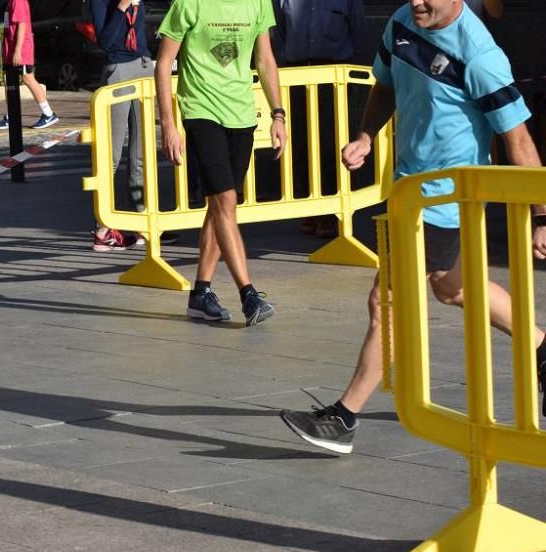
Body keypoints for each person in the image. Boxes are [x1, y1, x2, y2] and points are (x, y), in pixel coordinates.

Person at [280, 0, 546, 454]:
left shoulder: (480, 55)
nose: (417, 1)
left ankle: (344, 417)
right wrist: (365, 135)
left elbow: (517, 139)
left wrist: (542, 216)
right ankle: (543, 347)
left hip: (444, 205)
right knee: (452, 288)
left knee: (387, 301)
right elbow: (384, 86)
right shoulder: (403, 23)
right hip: (409, 191)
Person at [156, 0, 285, 326]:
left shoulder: (257, 3)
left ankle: (201, 293)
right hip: (201, 111)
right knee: (224, 200)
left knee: (221, 206)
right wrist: (169, 125)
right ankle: (248, 294)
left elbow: (265, 59)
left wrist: (278, 114)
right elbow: (163, 63)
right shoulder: (188, 3)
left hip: (241, 115)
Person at [271, 0, 369, 239]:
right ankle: (307, 206)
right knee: (300, 143)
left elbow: (360, 34)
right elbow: (278, 33)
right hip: (296, 74)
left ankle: (330, 212)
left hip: (333, 75)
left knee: (331, 143)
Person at [89, 0, 147, 251]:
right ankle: (103, 228)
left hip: (143, 66)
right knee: (112, 153)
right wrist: (122, 7)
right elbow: (104, 41)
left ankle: (142, 220)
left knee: (141, 152)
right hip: (119, 68)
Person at [0, 0, 59, 131]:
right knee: (9, 79)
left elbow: (22, 25)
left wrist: (17, 50)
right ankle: (12, 116)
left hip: (21, 49)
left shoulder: (18, 1)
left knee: (28, 78)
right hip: (10, 49)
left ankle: (48, 113)